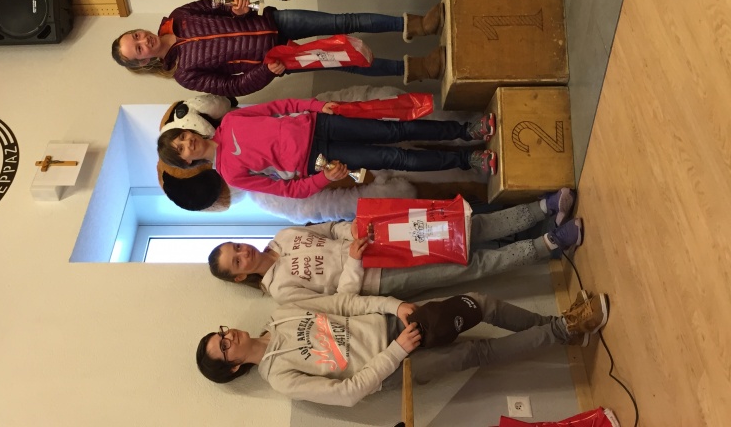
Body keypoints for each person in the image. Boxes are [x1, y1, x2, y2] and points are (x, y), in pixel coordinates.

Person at [195, 288, 610, 406]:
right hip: (394, 366)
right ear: (233, 367)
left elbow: (344, 304)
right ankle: (566, 329)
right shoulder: (280, 379)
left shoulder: (282, 313)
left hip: (396, 322)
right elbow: (347, 393)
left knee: (477, 304)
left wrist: (394, 306)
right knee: (475, 353)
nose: (229, 337)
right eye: (224, 348)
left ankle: (561, 327)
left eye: (222, 334)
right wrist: (396, 351)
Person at [208, 189, 583, 302]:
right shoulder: (281, 292)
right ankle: (550, 242)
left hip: (381, 238)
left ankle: (544, 207)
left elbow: (331, 229)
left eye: (236, 247)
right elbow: (340, 301)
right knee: (470, 265)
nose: (243, 253)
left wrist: (351, 232)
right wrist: (354, 262)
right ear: (240, 277)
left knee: (466, 227)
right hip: (381, 276)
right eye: (236, 261)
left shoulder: (282, 236)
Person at [156, 97, 499, 198]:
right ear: (187, 163)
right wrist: (325, 178)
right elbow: (288, 190)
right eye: (181, 149)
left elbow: (280, 106)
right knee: (395, 157)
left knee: (395, 128)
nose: (187, 143)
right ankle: (468, 159)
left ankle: (466, 129)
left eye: (182, 136)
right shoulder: (231, 175)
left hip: (322, 123)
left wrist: (317, 106)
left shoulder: (231, 120)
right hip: (320, 161)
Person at [110, 0, 449, 96]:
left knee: (343, 20)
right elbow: (232, 87)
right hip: (278, 57)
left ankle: (417, 24)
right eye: (137, 49)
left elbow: (218, 4)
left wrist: (236, 8)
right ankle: (420, 68)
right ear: (142, 63)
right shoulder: (183, 74)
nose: (143, 41)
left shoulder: (180, 16)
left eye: (136, 35)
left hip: (274, 21)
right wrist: (266, 71)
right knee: (348, 60)